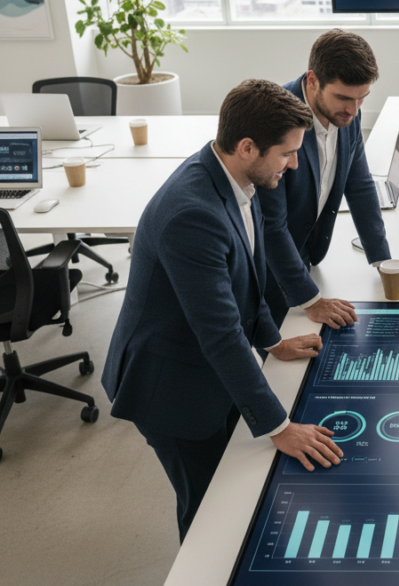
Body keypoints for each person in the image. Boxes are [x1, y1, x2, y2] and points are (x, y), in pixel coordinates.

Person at [102, 79, 345, 542]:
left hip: (205, 366)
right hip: (169, 388)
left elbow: (246, 283)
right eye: (287, 153)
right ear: (248, 147)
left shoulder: (232, 177)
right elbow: (220, 332)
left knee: (237, 492)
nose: (294, 165)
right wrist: (281, 427)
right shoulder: (191, 214)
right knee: (208, 513)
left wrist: (272, 341)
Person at [258, 29, 399, 330]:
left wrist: (382, 260)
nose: (353, 109)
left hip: (307, 258)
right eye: (344, 98)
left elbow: (359, 185)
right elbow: (271, 226)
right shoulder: (275, 122)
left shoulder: (347, 113)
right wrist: (310, 300)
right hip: (268, 272)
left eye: (362, 98)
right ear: (312, 81)